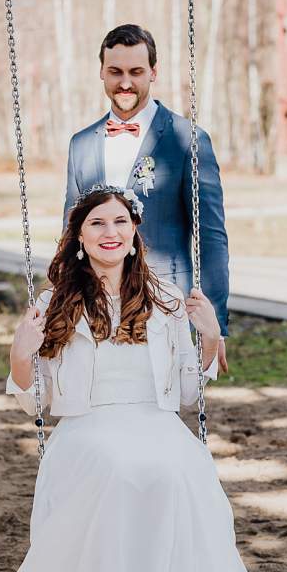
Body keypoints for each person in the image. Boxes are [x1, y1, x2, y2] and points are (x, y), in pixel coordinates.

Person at [0, 188, 280, 572]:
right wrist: (20, 355)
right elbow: (35, 402)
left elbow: (183, 394)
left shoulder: (168, 299)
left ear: (134, 235)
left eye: (120, 223)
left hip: (154, 423)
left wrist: (207, 339)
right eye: (96, 225)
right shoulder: (52, 304)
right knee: (121, 470)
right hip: (89, 428)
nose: (110, 232)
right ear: (79, 240)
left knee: (179, 469)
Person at [64, 23, 231, 375]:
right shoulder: (81, 144)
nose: (125, 82)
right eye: (116, 72)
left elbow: (211, 236)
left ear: (153, 73)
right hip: (94, 305)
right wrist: (63, 304)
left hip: (166, 303)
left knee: (166, 409)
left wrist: (215, 322)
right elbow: (70, 231)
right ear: (102, 73)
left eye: (136, 72)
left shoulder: (188, 139)